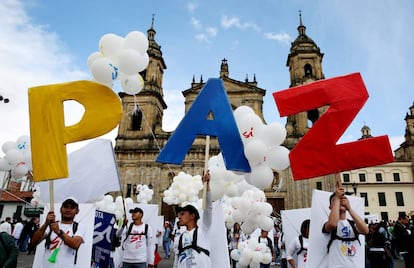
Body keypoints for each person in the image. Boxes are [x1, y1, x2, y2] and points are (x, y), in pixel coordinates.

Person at [322, 181, 369, 267]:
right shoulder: (328, 223)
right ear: (330, 207)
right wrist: (337, 197)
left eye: (343, 199)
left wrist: (350, 208)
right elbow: (332, 224)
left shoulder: (352, 224)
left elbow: (365, 230)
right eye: (336, 201)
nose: (340, 201)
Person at [31, 197, 85, 267]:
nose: (68, 210)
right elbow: (34, 242)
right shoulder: (51, 225)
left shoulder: (79, 226)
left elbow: (75, 244)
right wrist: (45, 224)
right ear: (60, 209)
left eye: (72, 208)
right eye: (65, 207)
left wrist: (58, 232)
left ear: (77, 211)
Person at [176, 171, 212, 268]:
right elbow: (177, 260)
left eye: (183, 214)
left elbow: (208, 209)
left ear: (192, 216)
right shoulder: (180, 237)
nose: (179, 217)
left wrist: (207, 185)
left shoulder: (203, 230)